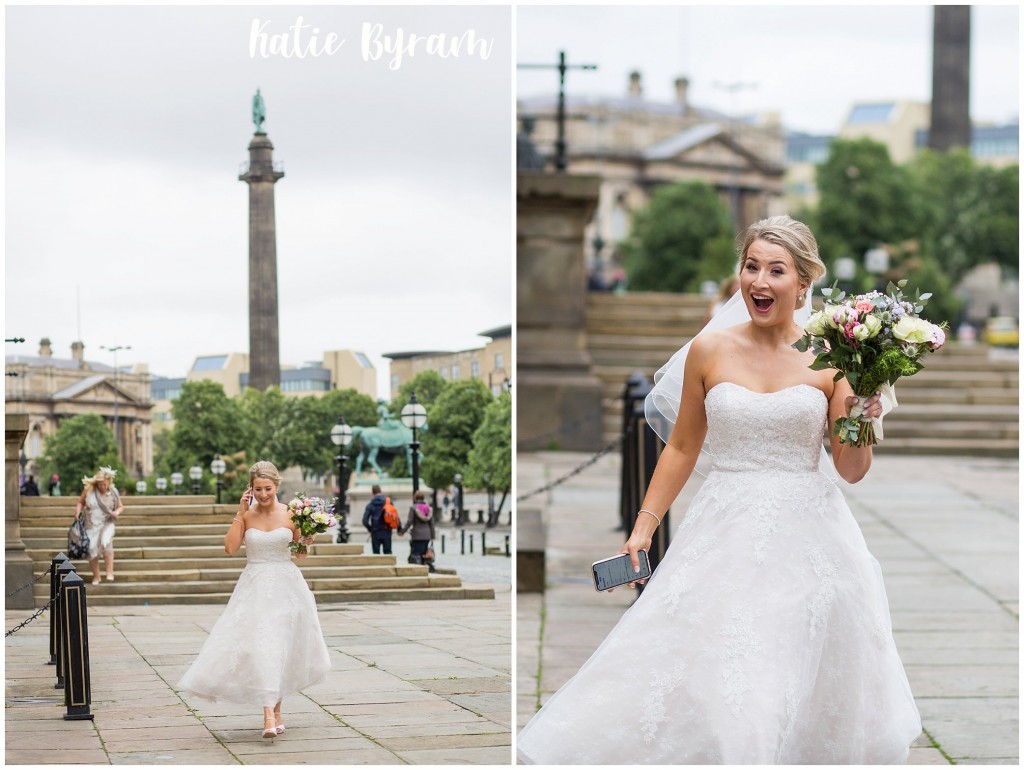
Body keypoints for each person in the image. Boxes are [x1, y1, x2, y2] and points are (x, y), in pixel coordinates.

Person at [517, 216, 922, 764]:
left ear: (803, 284)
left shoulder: (835, 358)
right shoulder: (710, 351)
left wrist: (863, 412)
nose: (759, 280)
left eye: (776, 270)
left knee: (791, 673)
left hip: (811, 539)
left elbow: (850, 469)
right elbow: (682, 447)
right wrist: (644, 527)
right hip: (724, 530)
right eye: (750, 266)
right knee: (727, 677)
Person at [176, 461, 331, 740]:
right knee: (263, 647)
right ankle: (268, 715)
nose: (262, 494)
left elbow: (300, 555)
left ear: (277, 486)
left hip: (287, 587)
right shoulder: (246, 516)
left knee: (280, 647)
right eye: (257, 489)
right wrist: (239, 511)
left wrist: (307, 539)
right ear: (250, 488)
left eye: (267, 489)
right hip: (255, 588)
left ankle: (276, 713)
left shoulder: (293, 514)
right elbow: (230, 548)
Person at [75, 467, 123, 584]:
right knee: (91, 549)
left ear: (108, 483)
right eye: (100, 485)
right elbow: (80, 502)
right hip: (91, 523)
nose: (103, 487)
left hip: (107, 522)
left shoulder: (113, 492)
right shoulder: (89, 490)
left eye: (105, 484)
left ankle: (109, 572)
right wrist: (77, 512)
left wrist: (116, 512)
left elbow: (120, 506)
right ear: (97, 483)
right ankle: (96, 576)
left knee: (106, 543)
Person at [399, 491, 436, 571]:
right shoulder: (428, 508)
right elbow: (431, 523)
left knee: (416, 554)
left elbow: (409, 522)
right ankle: (426, 570)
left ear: (415, 498)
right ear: (423, 498)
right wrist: (433, 536)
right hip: (427, 535)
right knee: (424, 554)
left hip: (417, 535)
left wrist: (402, 531)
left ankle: (418, 571)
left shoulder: (413, 508)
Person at [362, 484, 392, 554]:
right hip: (387, 531)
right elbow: (394, 515)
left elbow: (364, 521)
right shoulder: (388, 502)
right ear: (380, 491)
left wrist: (371, 529)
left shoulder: (370, 504)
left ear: (372, 493)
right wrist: (399, 529)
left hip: (375, 532)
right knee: (388, 554)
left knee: (376, 555)